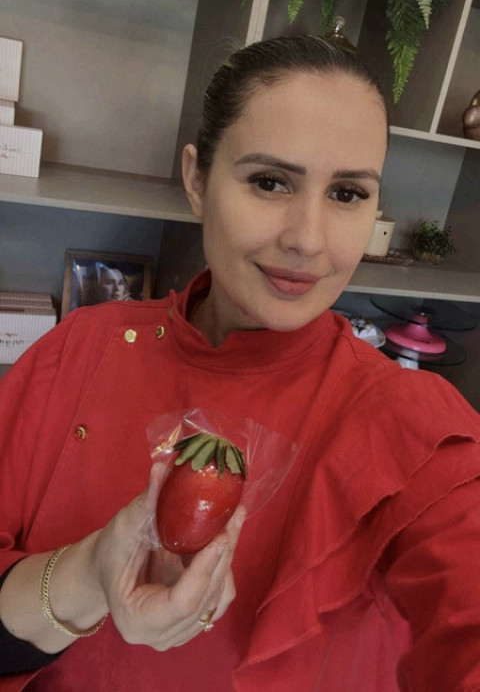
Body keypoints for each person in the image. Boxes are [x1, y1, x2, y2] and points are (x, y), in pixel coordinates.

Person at [1, 35, 480, 692]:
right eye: (270, 181)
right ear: (197, 180)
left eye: (347, 193)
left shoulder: (410, 425)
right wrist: (87, 574)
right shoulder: (78, 351)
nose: (307, 239)